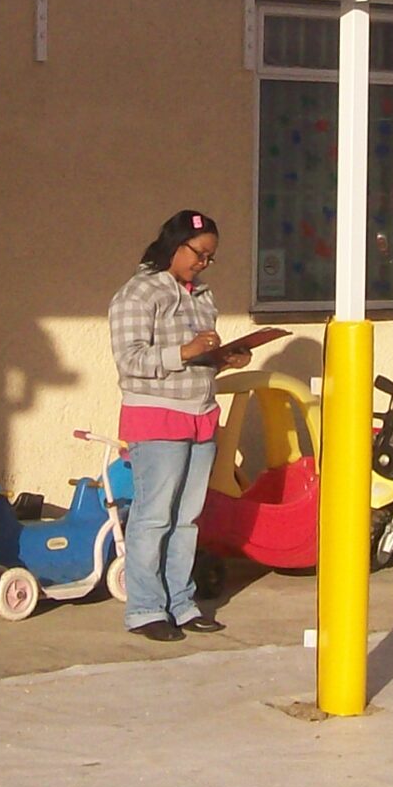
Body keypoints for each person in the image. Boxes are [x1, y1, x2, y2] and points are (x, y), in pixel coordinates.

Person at [107, 209, 248, 641]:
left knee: (187, 518)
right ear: (174, 243)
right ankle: (146, 609)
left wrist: (222, 360)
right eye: (199, 254)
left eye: (210, 258)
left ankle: (181, 603)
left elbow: (194, 361)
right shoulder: (138, 293)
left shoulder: (202, 296)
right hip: (156, 417)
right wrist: (184, 353)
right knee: (154, 517)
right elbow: (130, 361)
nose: (203, 264)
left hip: (200, 416)